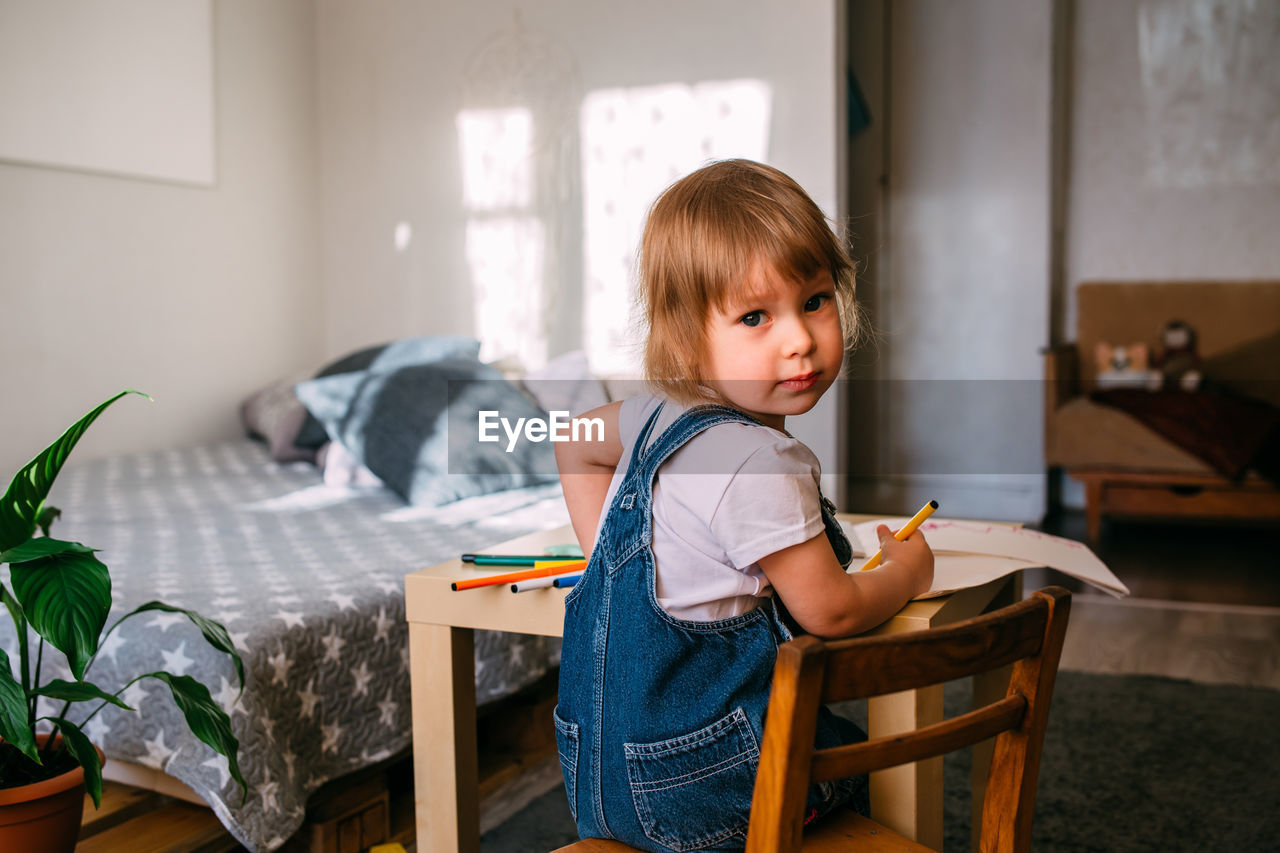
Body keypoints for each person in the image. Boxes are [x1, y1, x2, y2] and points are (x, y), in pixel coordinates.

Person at [553, 159, 934, 852]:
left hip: (593, 781)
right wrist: (906, 572)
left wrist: (605, 562)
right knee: (865, 769)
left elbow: (569, 441)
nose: (798, 339)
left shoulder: (645, 417)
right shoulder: (758, 460)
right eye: (755, 316)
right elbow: (833, 610)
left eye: (815, 300)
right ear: (687, 336)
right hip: (705, 790)